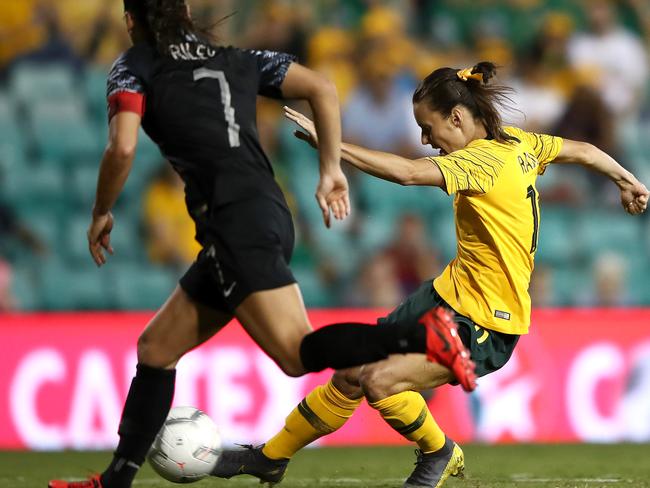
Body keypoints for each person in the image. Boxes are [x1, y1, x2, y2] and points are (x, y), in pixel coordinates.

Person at [48, 2, 473, 487]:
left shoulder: (135, 65)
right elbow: (321, 85)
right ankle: (115, 482)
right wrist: (330, 167)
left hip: (234, 225)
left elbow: (122, 146)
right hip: (267, 210)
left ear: (130, 21)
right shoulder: (235, 57)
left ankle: (422, 338)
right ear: (186, 11)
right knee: (156, 348)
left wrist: (102, 210)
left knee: (295, 354)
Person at [213, 62, 649, 488]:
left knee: (380, 382)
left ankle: (439, 451)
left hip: (484, 321)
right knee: (351, 371)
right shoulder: (519, 143)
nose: (426, 139)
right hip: (444, 296)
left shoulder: (480, 163)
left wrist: (331, 143)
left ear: (457, 117)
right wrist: (625, 179)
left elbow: (405, 173)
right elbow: (584, 151)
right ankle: (271, 458)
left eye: (428, 128)